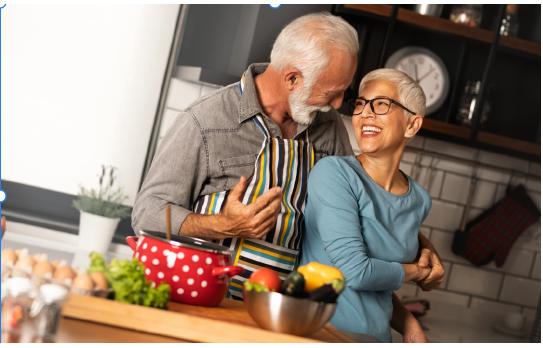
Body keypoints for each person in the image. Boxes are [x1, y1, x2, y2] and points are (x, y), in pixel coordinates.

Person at [132, 12, 443, 300]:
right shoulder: (204, 121)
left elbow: (359, 208)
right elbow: (147, 213)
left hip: (283, 310)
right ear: (292, 78)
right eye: (329, 92)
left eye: (342, 92)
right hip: (207, 300)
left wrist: (420, 246)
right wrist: (220, 224)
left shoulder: (328, 126)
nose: (337, 105)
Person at [300, 68, 439, 343]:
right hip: (319, 335)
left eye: (382, 104)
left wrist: (408, 325)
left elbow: (381, 287)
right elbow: (357, 273)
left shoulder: (420, 200)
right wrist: (418, 272)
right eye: (361, 104)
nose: (365, 113)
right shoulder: (334, 174)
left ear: (412, 125)